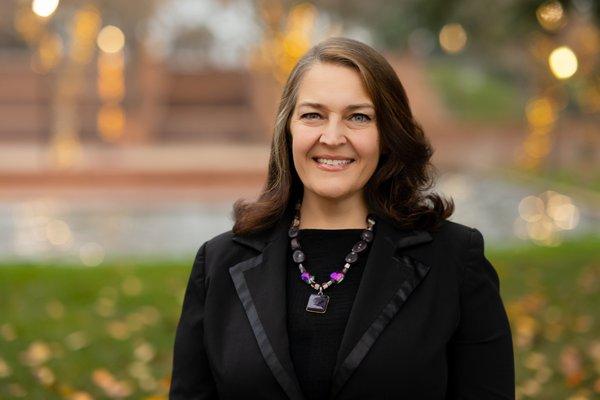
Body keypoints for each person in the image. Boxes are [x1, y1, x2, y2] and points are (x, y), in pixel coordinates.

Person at [169, 37, 515, 399]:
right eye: (313, 115)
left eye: (358, 117)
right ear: (288, 129)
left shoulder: (455, 259)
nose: (332, 137)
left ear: (388, 134)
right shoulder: (219, 263)